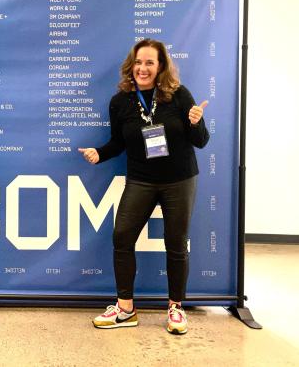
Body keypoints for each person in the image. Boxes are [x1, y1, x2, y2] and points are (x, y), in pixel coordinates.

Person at [78, 39, 209, 335]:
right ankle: (125, 309)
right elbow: (118, 143)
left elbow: (200, 141)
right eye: (139, 62)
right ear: (131, 65)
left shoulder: (178, 95)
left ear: (160, 66)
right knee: (122, 237)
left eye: (150, 62)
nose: (143, 68)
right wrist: (100, 153)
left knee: (176, 243)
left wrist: (196, 122)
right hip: (141, 180)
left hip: (179, 180)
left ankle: (176, 308)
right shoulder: (120, 101)